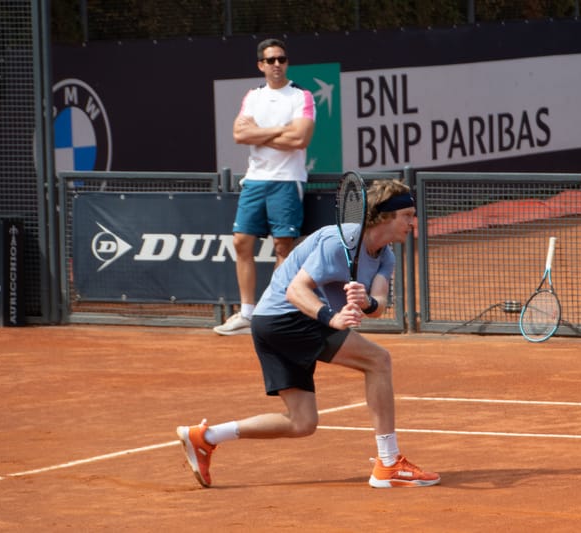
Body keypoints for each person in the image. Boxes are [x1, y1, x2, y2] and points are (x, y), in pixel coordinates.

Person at [177, 179, 440, 489]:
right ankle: (388, 462)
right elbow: (295, 289)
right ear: (385, 216)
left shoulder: (386, 255)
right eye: (407, 215)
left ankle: (205, 437)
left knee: (302, 422)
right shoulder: (338, 241)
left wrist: (365, 301)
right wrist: (332, 318)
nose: (413, 222)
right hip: (284, 317)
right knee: (378, 361)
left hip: (274, 324)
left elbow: (379, 305)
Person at [214, 37, 316, 336]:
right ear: (261, 65)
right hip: (255, 179)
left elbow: (300, 139)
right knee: (241, 242)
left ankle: (271, 311)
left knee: (284, 246)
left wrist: (257, 133)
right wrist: (281, 130)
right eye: (270, 60)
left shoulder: (301, 96)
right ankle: (246, 313)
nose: (276, 65)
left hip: (287, 181)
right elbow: (238, 134)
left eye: (281, 59)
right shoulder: (253, 96)